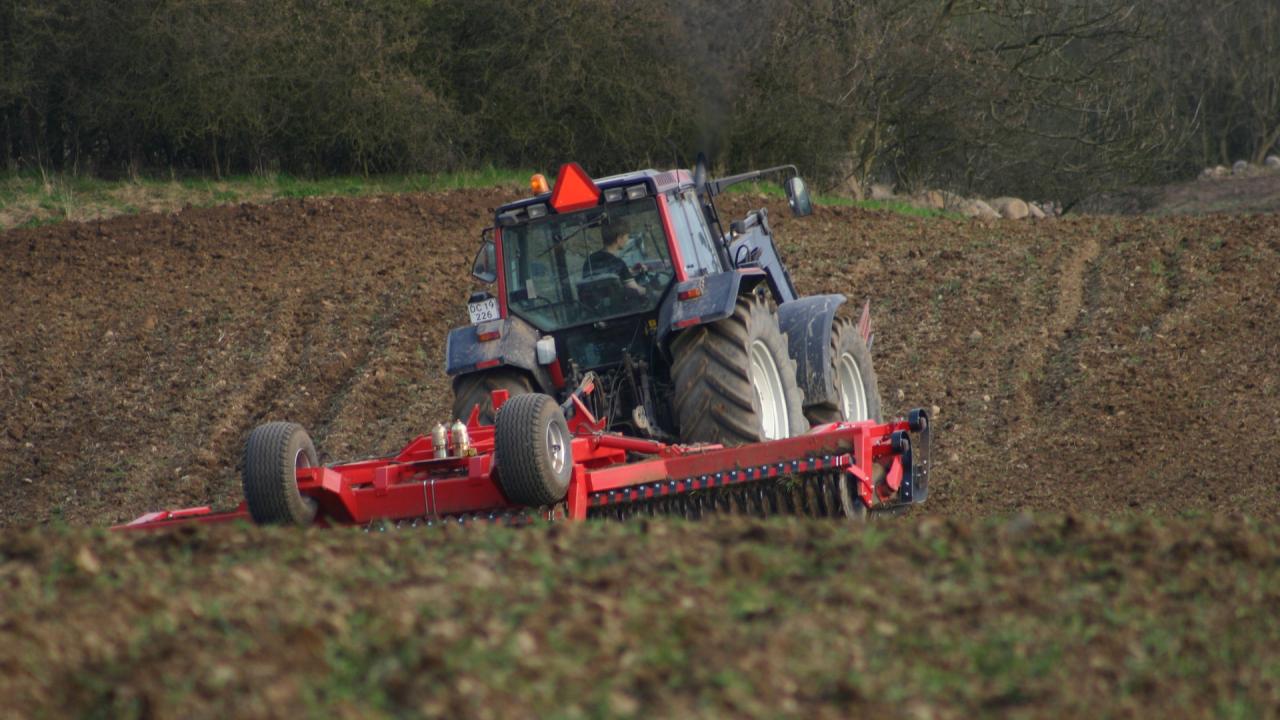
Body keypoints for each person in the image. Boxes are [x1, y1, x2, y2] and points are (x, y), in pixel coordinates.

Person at [583, 219, 647, 297]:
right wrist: (648, 290)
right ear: (619, 238)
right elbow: (635, 290)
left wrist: (630, 271)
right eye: (627, 236)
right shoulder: (618, 263)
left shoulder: (590, 260)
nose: (628, 240)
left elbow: (604, 274)